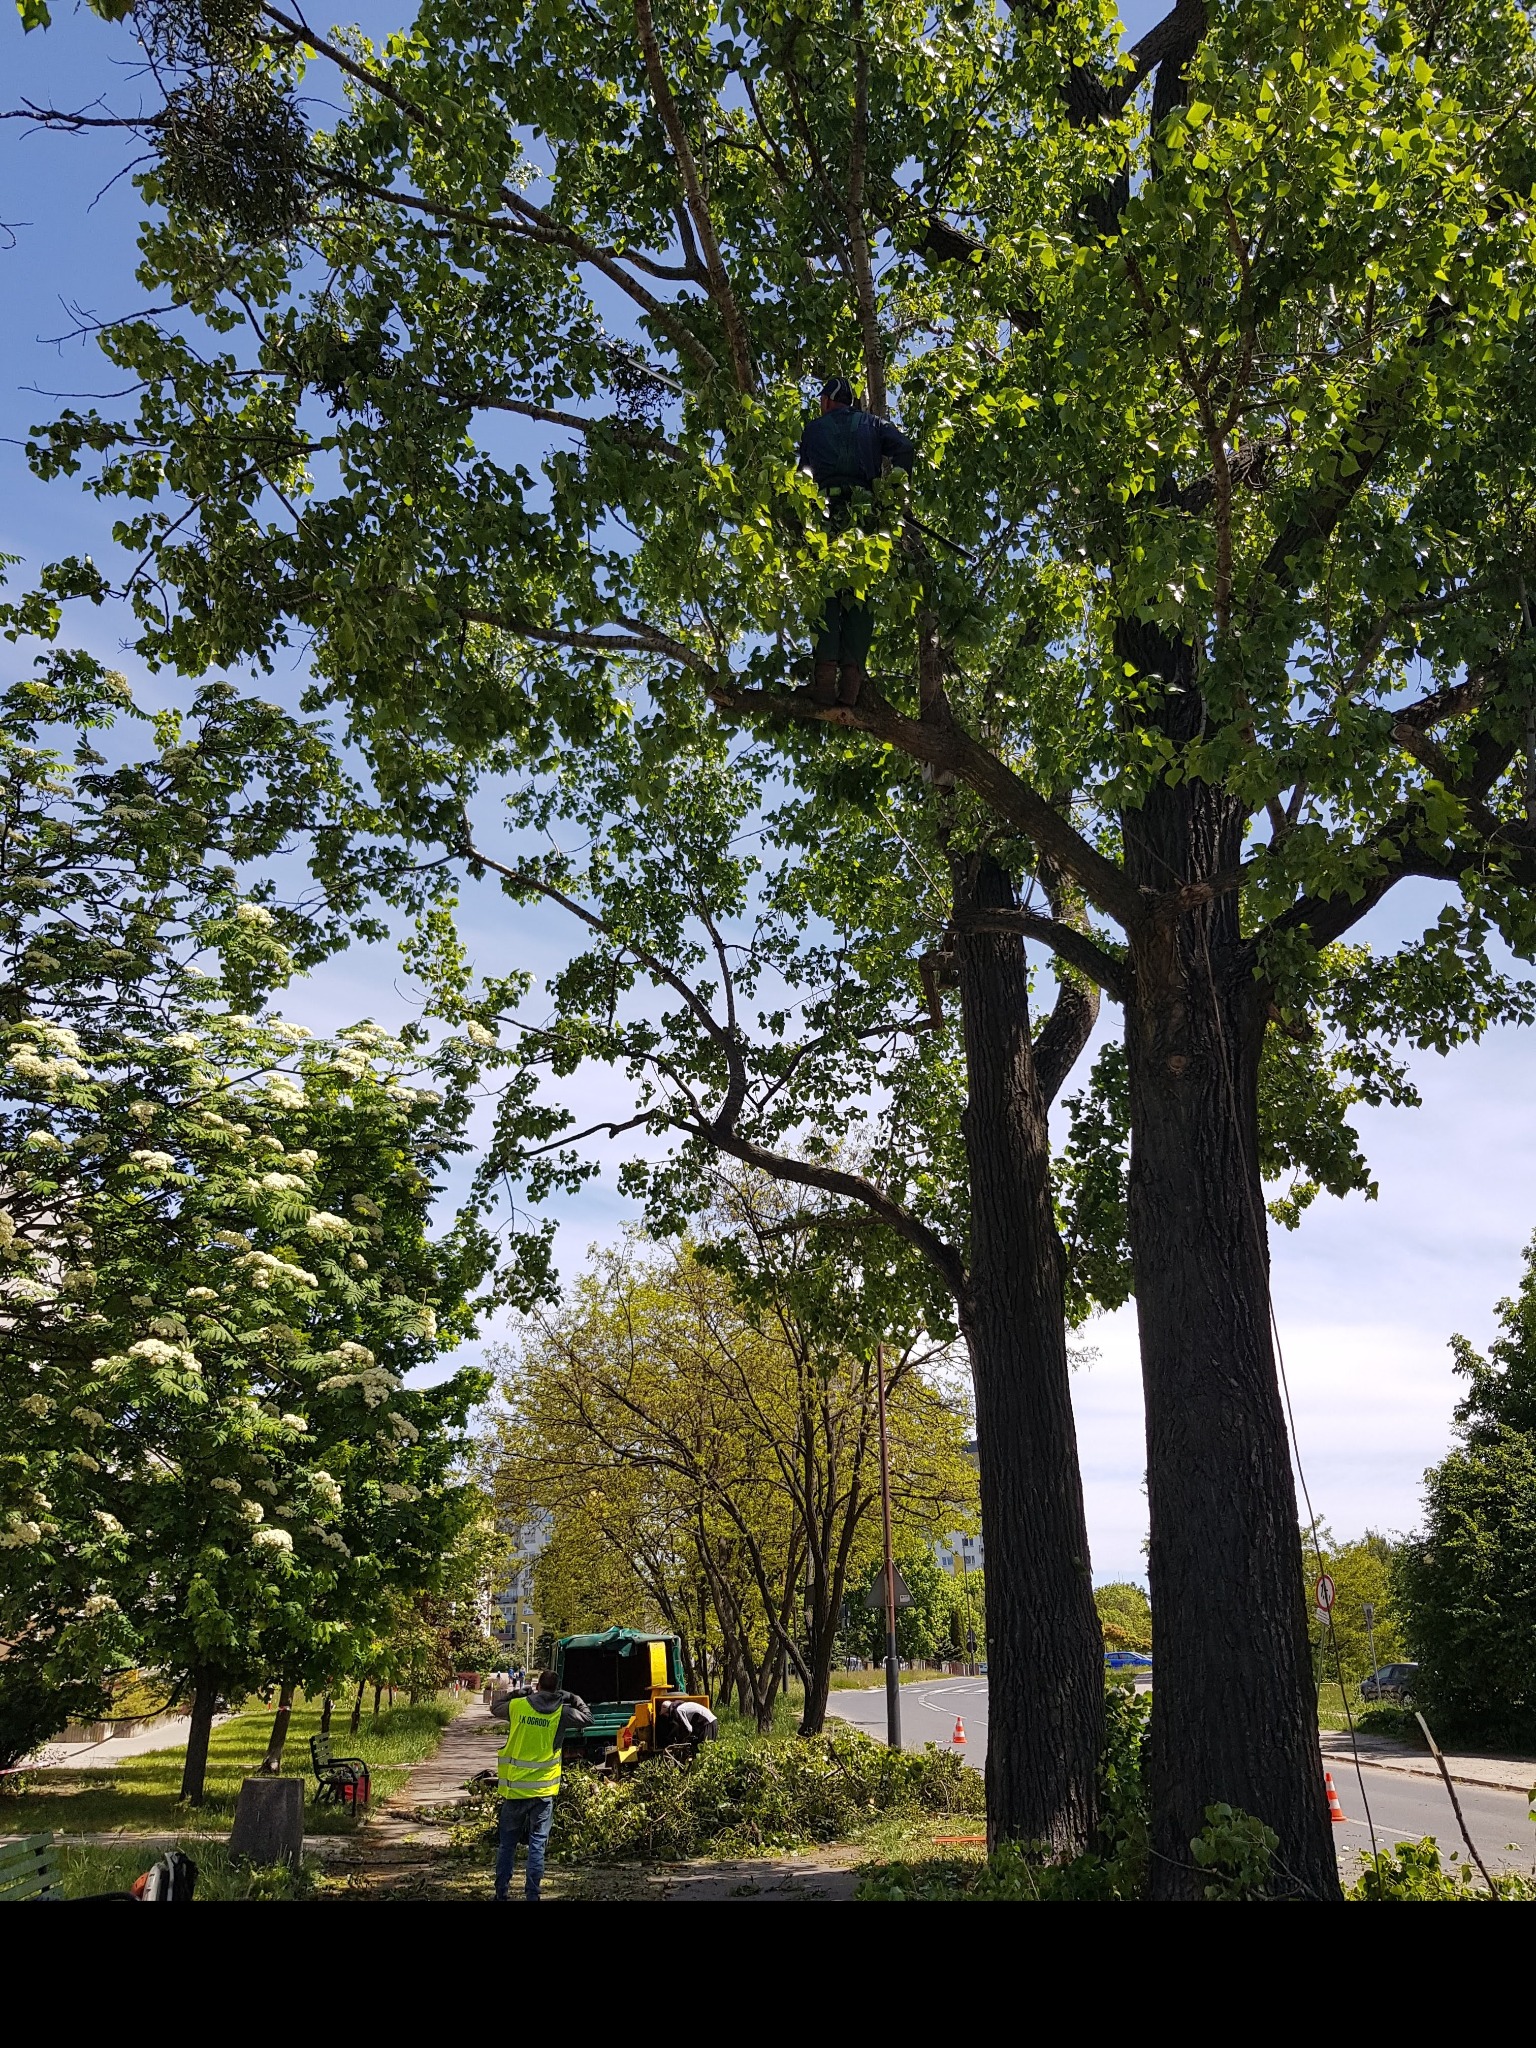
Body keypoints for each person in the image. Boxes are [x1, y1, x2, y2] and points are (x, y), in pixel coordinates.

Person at [795, 376, 916, 707]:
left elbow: (802, 478)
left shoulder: (812, 430)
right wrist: (893, 492)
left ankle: (824, 677)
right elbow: (904, 448)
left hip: (824, 514)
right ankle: (851, 681)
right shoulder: (874, 424)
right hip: (865, 516)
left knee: (826, 591)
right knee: (859, 592)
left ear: (828, 401)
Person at [493, 1667, 591, 1902]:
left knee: (507, 1845)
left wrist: (517, 1694)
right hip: (543, 1792)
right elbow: (588, 1718)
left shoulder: (519, 1707)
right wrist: (573, 1697)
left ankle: (501, 1894)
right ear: (556, 1689)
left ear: (537, 1687)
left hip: (515, 1789)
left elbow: (495, 1707)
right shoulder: (562, 1712)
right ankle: (532, 1895)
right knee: (537, 1844)